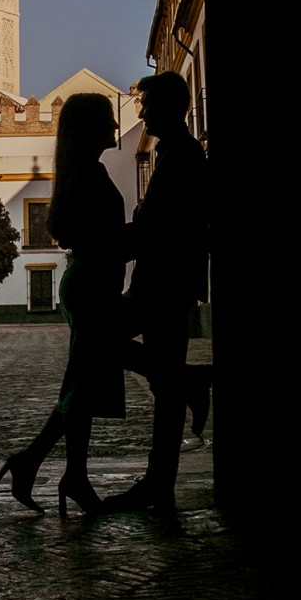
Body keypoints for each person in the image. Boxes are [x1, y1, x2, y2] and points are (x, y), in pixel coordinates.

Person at [0, 92, 127, 517]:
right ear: (90, 127)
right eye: (107, 119)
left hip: (86, 285)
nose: (115, 126)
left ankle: (37, 463)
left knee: (80, 386)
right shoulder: (91, 175)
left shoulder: (77, 173)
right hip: (92, 288)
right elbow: (101, 239)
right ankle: (69, 475)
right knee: (84, 388)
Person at [103, 70, 211, 513]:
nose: (141, 112)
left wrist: (105, 244)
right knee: (166, 389)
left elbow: (158, 227)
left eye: (146, 105)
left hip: (163, 284)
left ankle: (190, 382)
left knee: (102, 339)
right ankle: (159, 484)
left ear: (168, 107)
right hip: (165, 281)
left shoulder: (183, 157)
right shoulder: (175, 154)